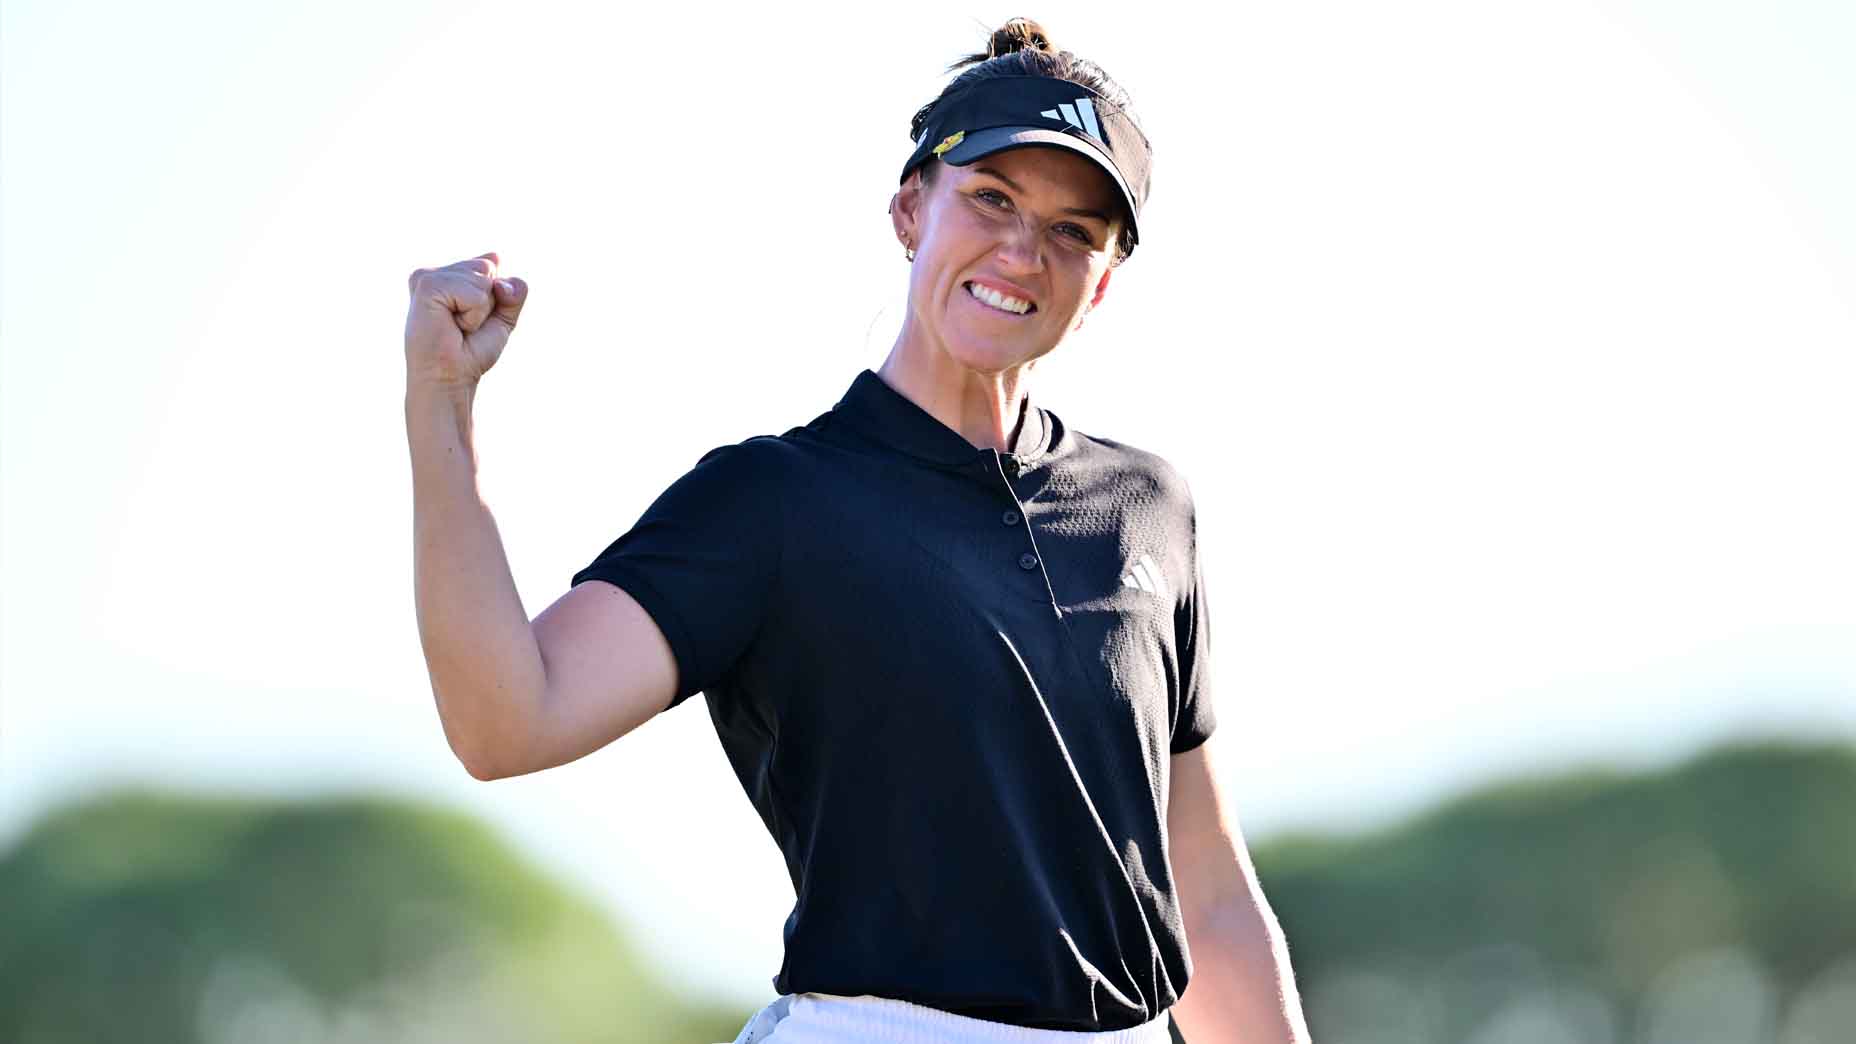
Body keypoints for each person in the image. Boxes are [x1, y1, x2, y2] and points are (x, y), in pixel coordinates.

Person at [403, 17, 1311, 1044]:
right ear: (909, 207)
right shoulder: (773, 502)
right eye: (991, 199)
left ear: (1100, 280)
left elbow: (1204, 887)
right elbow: (508, 720)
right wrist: (440, 405)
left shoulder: (1148, 505)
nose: (1022, 251)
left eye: (1071, 231)